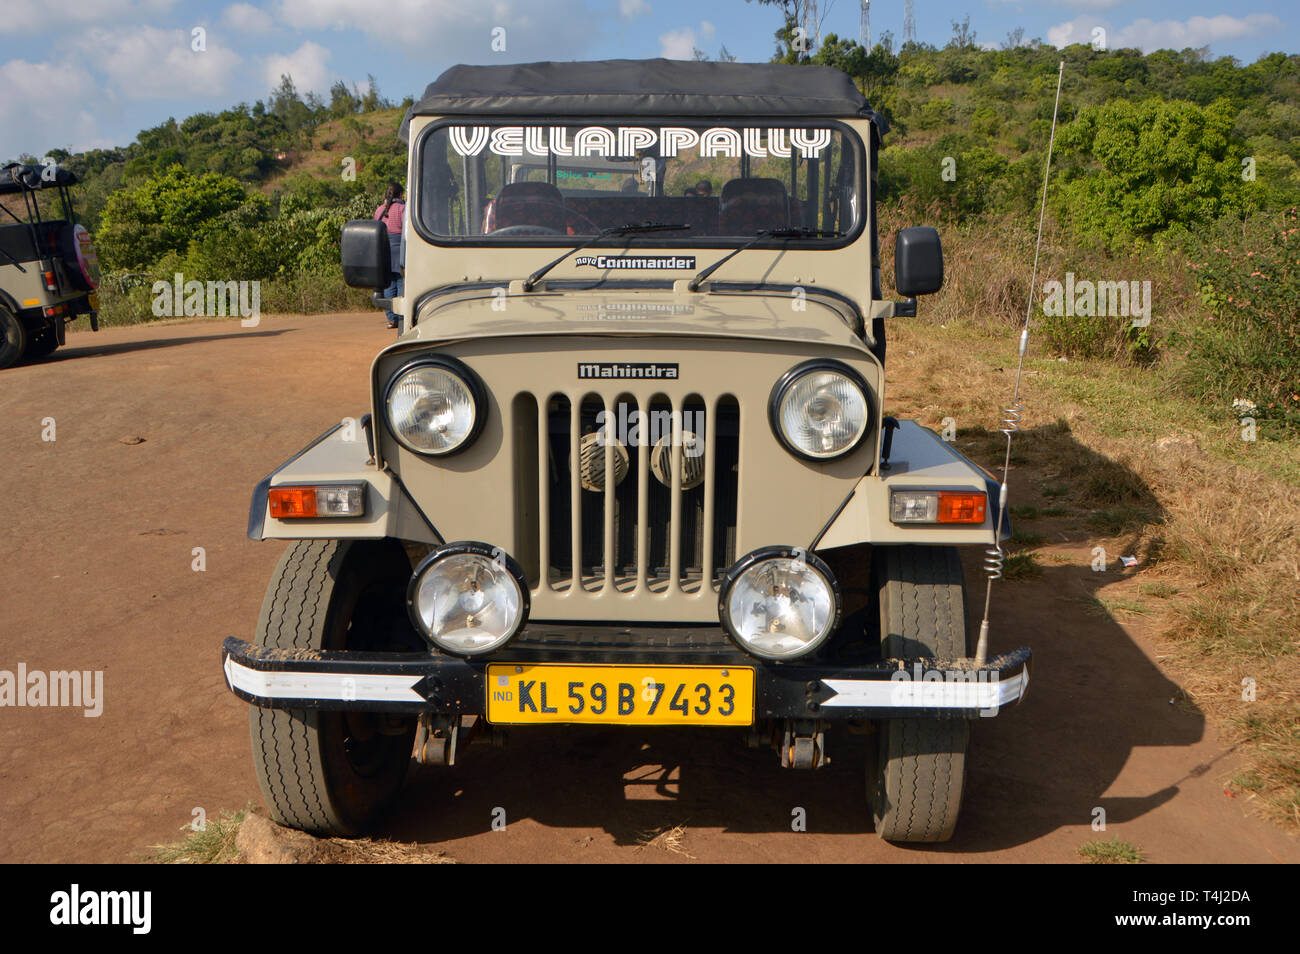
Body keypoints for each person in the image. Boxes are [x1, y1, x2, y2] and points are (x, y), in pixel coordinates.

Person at [373, 182, 405, 329]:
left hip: (384, 251)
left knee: (388, 283)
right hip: (400, 250)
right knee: (400, 283)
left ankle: (391, 319)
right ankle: (401, 317)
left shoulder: (379, 210)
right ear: (400, 194)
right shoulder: (403, 209)